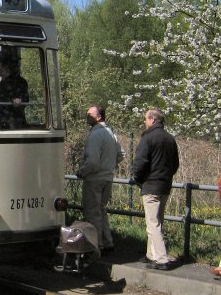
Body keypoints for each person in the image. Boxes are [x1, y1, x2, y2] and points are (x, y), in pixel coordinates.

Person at [132, 108, 180, 270]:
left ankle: (161, 259)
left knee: (153, 223)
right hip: (165, 185)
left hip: (150, 185)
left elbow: (140, 162)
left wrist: (137, 178)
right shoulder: (169, 139)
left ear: (152, 119)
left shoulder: (148, 138)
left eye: (146, 119)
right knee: (158, 221)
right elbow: (175, 165)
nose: (144, 122)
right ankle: (150, 254)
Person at [76, 104, 125, 254]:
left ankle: (96, 245)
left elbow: (92, 161)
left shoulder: (96, 134)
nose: (87, 116)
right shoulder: (111, 133)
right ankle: (107, 241)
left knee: (92, 212)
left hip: (94, 178)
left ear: (98, 117)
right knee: (101, 211)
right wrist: (109, 165)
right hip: (107, 177)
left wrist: (82, 172)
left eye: (89, 114)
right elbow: (121, 154)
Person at [0, 50, 28, 129]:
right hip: (1, 123)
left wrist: (18, 100)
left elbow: (24, 99)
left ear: (5, 67)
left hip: (11, 125)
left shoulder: (19, 82)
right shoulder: (3, 82)